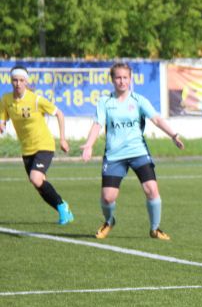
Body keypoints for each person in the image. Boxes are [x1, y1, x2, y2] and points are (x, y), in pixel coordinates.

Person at [81, 62, 184, 240]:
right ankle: (109, 221)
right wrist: (89, 145)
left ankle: (155, 229)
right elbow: (98, 124)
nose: (122, 81)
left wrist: (173, 135)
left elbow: (157, 119)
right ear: (112, 80)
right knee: (107, 198)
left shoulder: (139, 100)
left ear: (130, 79)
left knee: (151, 190)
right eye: (118, 78)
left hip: (138, 152)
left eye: (125, 77)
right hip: (114, 155)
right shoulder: (105, 102)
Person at [0, 65, 74, 225]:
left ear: (26, 81)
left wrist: (62, 139)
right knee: (39, 185)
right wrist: (2, 125)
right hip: (26, 149)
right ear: (10, 81)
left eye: (21, 80)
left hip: (44, 145)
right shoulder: (6, 99)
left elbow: (59, 113)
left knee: (35, 178)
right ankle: (63, 209)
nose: (18, 83)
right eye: (15, 80)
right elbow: (2, 118)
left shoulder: (36, 99)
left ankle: (62, 206)